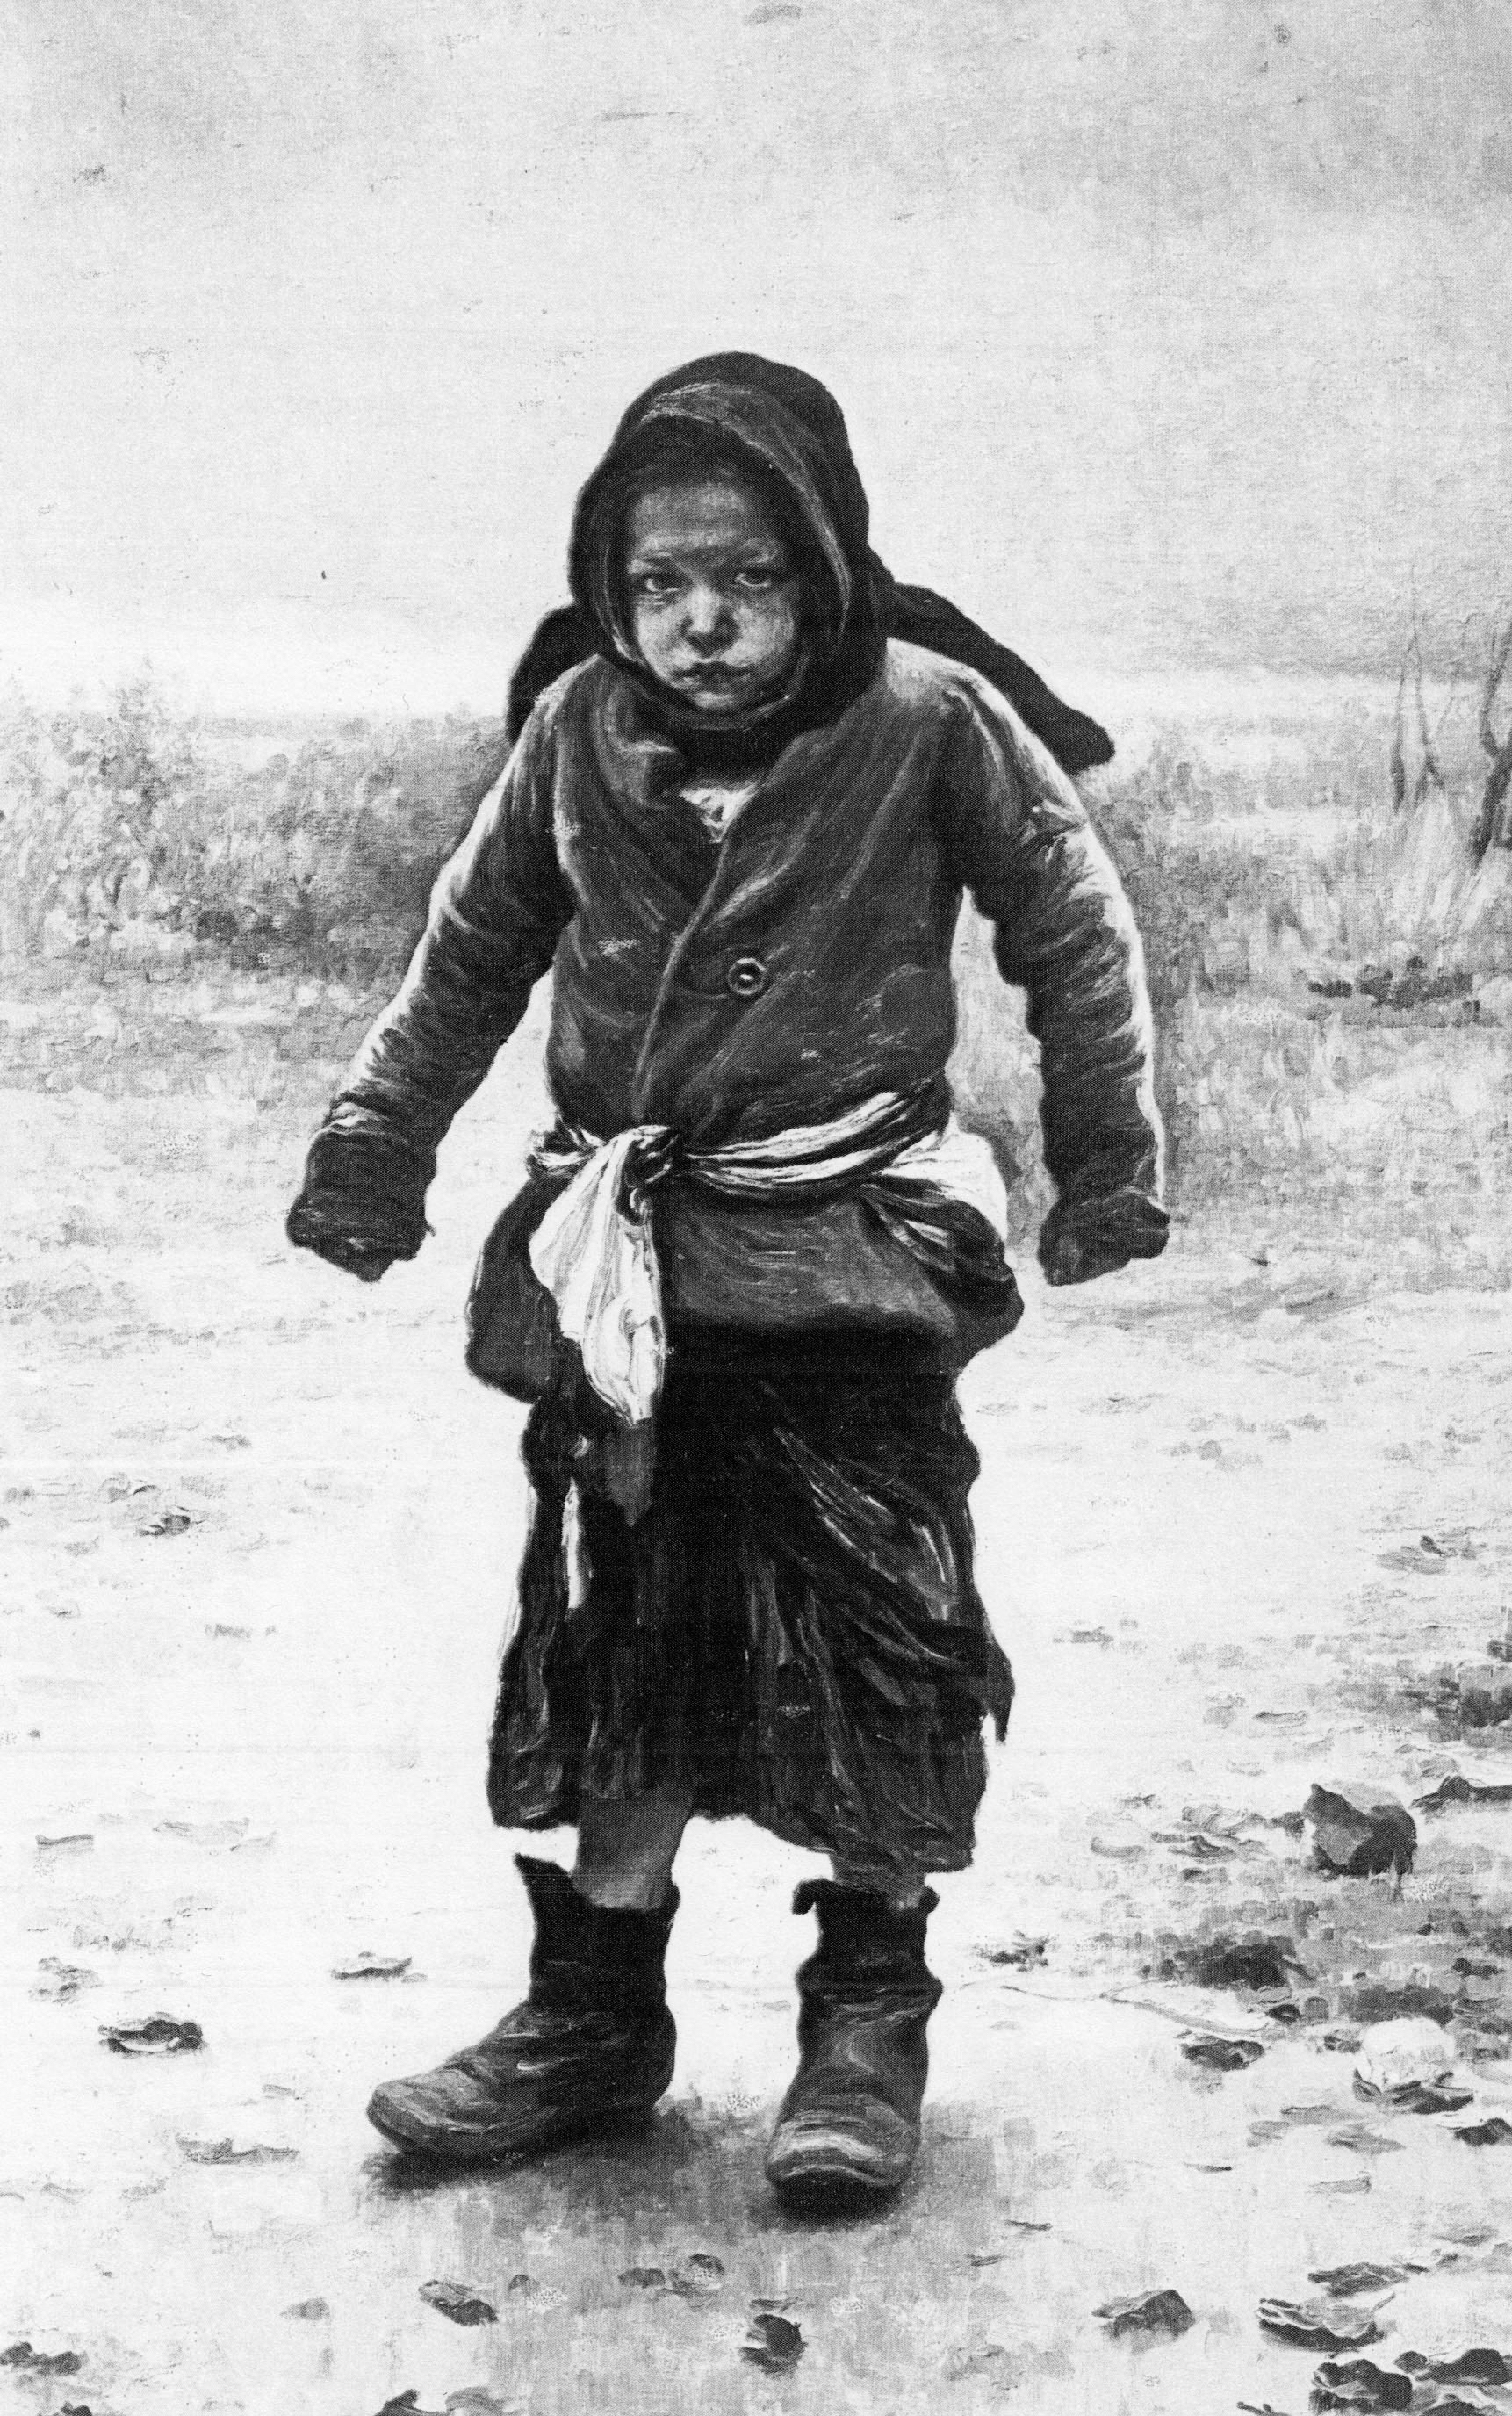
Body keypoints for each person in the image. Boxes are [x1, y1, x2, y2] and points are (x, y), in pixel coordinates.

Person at [286, 352, 1167, 2209]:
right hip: (639, 1279)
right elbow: (470, 951)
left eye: (750, 578)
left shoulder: (926, 718)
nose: (703, 620)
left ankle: (867, 2017)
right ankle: (594, 2012)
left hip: (846, 1256)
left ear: (821, 568)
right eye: (660, 582)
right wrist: (373, 1144)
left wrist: (1108, 1161)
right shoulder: (573, 735)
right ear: (607, 589)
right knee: (627, 1619)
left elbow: (1072, 925)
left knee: (878, 1616)